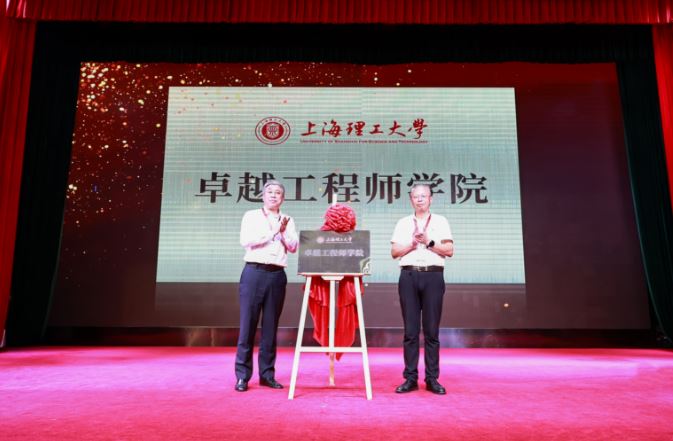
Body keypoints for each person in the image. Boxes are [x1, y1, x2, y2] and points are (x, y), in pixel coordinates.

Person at [235, 180, 298, 392]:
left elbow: (293, 246)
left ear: (283, 198)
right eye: (269, 192)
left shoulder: (288, 220)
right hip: (254, 272)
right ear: (263, 196)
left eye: (278, 193)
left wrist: (283, 231)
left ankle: (267, 375)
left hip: (277, 275)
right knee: (247, 326)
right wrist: (273, 232)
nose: (273, 195)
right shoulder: (251, 216)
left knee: (270, 328)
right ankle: (242, 376)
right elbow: (246, 241)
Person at [390, 184, 454, 395]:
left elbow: (449, 250)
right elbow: (394, 252)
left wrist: (428, 242)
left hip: (433, 276)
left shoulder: (440, 221)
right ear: (411, 200)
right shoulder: (403, 223)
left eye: (423, 196)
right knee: (410, 331)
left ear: (430, 199)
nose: (419, 199)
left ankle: (432, 378)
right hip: (409, 276)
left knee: (431, 331)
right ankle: (410, 378)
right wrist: (411, 244)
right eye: (416, 196)